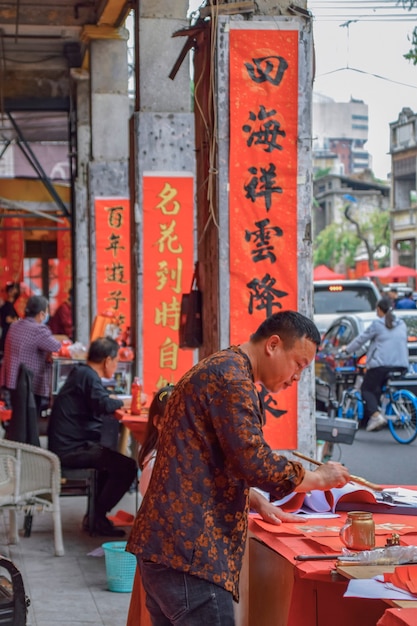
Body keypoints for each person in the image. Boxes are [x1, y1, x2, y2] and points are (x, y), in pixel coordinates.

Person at [126, 311, 351, 626]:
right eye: (298, 365)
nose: (296, 378)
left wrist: (254, 500)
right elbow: (254, 461)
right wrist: (317, 478)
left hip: (166, 547)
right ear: (273, 345)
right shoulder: (231, 377)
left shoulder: (223, 368)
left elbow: (205, 460)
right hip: (189, 553)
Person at [48, 336, 137, 537]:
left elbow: (100, 399)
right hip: (71, 450)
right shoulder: (87, 376)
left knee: (110, 460)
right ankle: (97, 516)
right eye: (115, 362)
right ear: (107, 360)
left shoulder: (82, 373)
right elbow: (104, 404)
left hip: (70, 445)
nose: (115, 366)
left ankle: (96, 517)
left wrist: (112, 399)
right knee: (127, 467)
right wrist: (127, 401)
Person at [342, 296, 409, 432]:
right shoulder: (402, 324)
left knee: (366, 389)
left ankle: (376, 415)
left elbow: (361, 340)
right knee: (378, 387)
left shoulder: (377, 324)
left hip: (381, 364)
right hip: (401, 365)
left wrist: (347, 349)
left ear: (379, 310)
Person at [1, 295, 61, 419]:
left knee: (17, 418)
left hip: (12, 380)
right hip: (30, 383)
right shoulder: (39, 330)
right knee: (29, 420)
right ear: (41, 314)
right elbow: (56, 347)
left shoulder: (15, 325)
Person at [0, 282, 20, 360]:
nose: (16, 292)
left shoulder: (16, 305)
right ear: (9, 292)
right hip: (7, 332)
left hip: (13, 332)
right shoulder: (6, 305)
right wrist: (16, 320)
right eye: (14, 290)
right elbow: (8, 319)